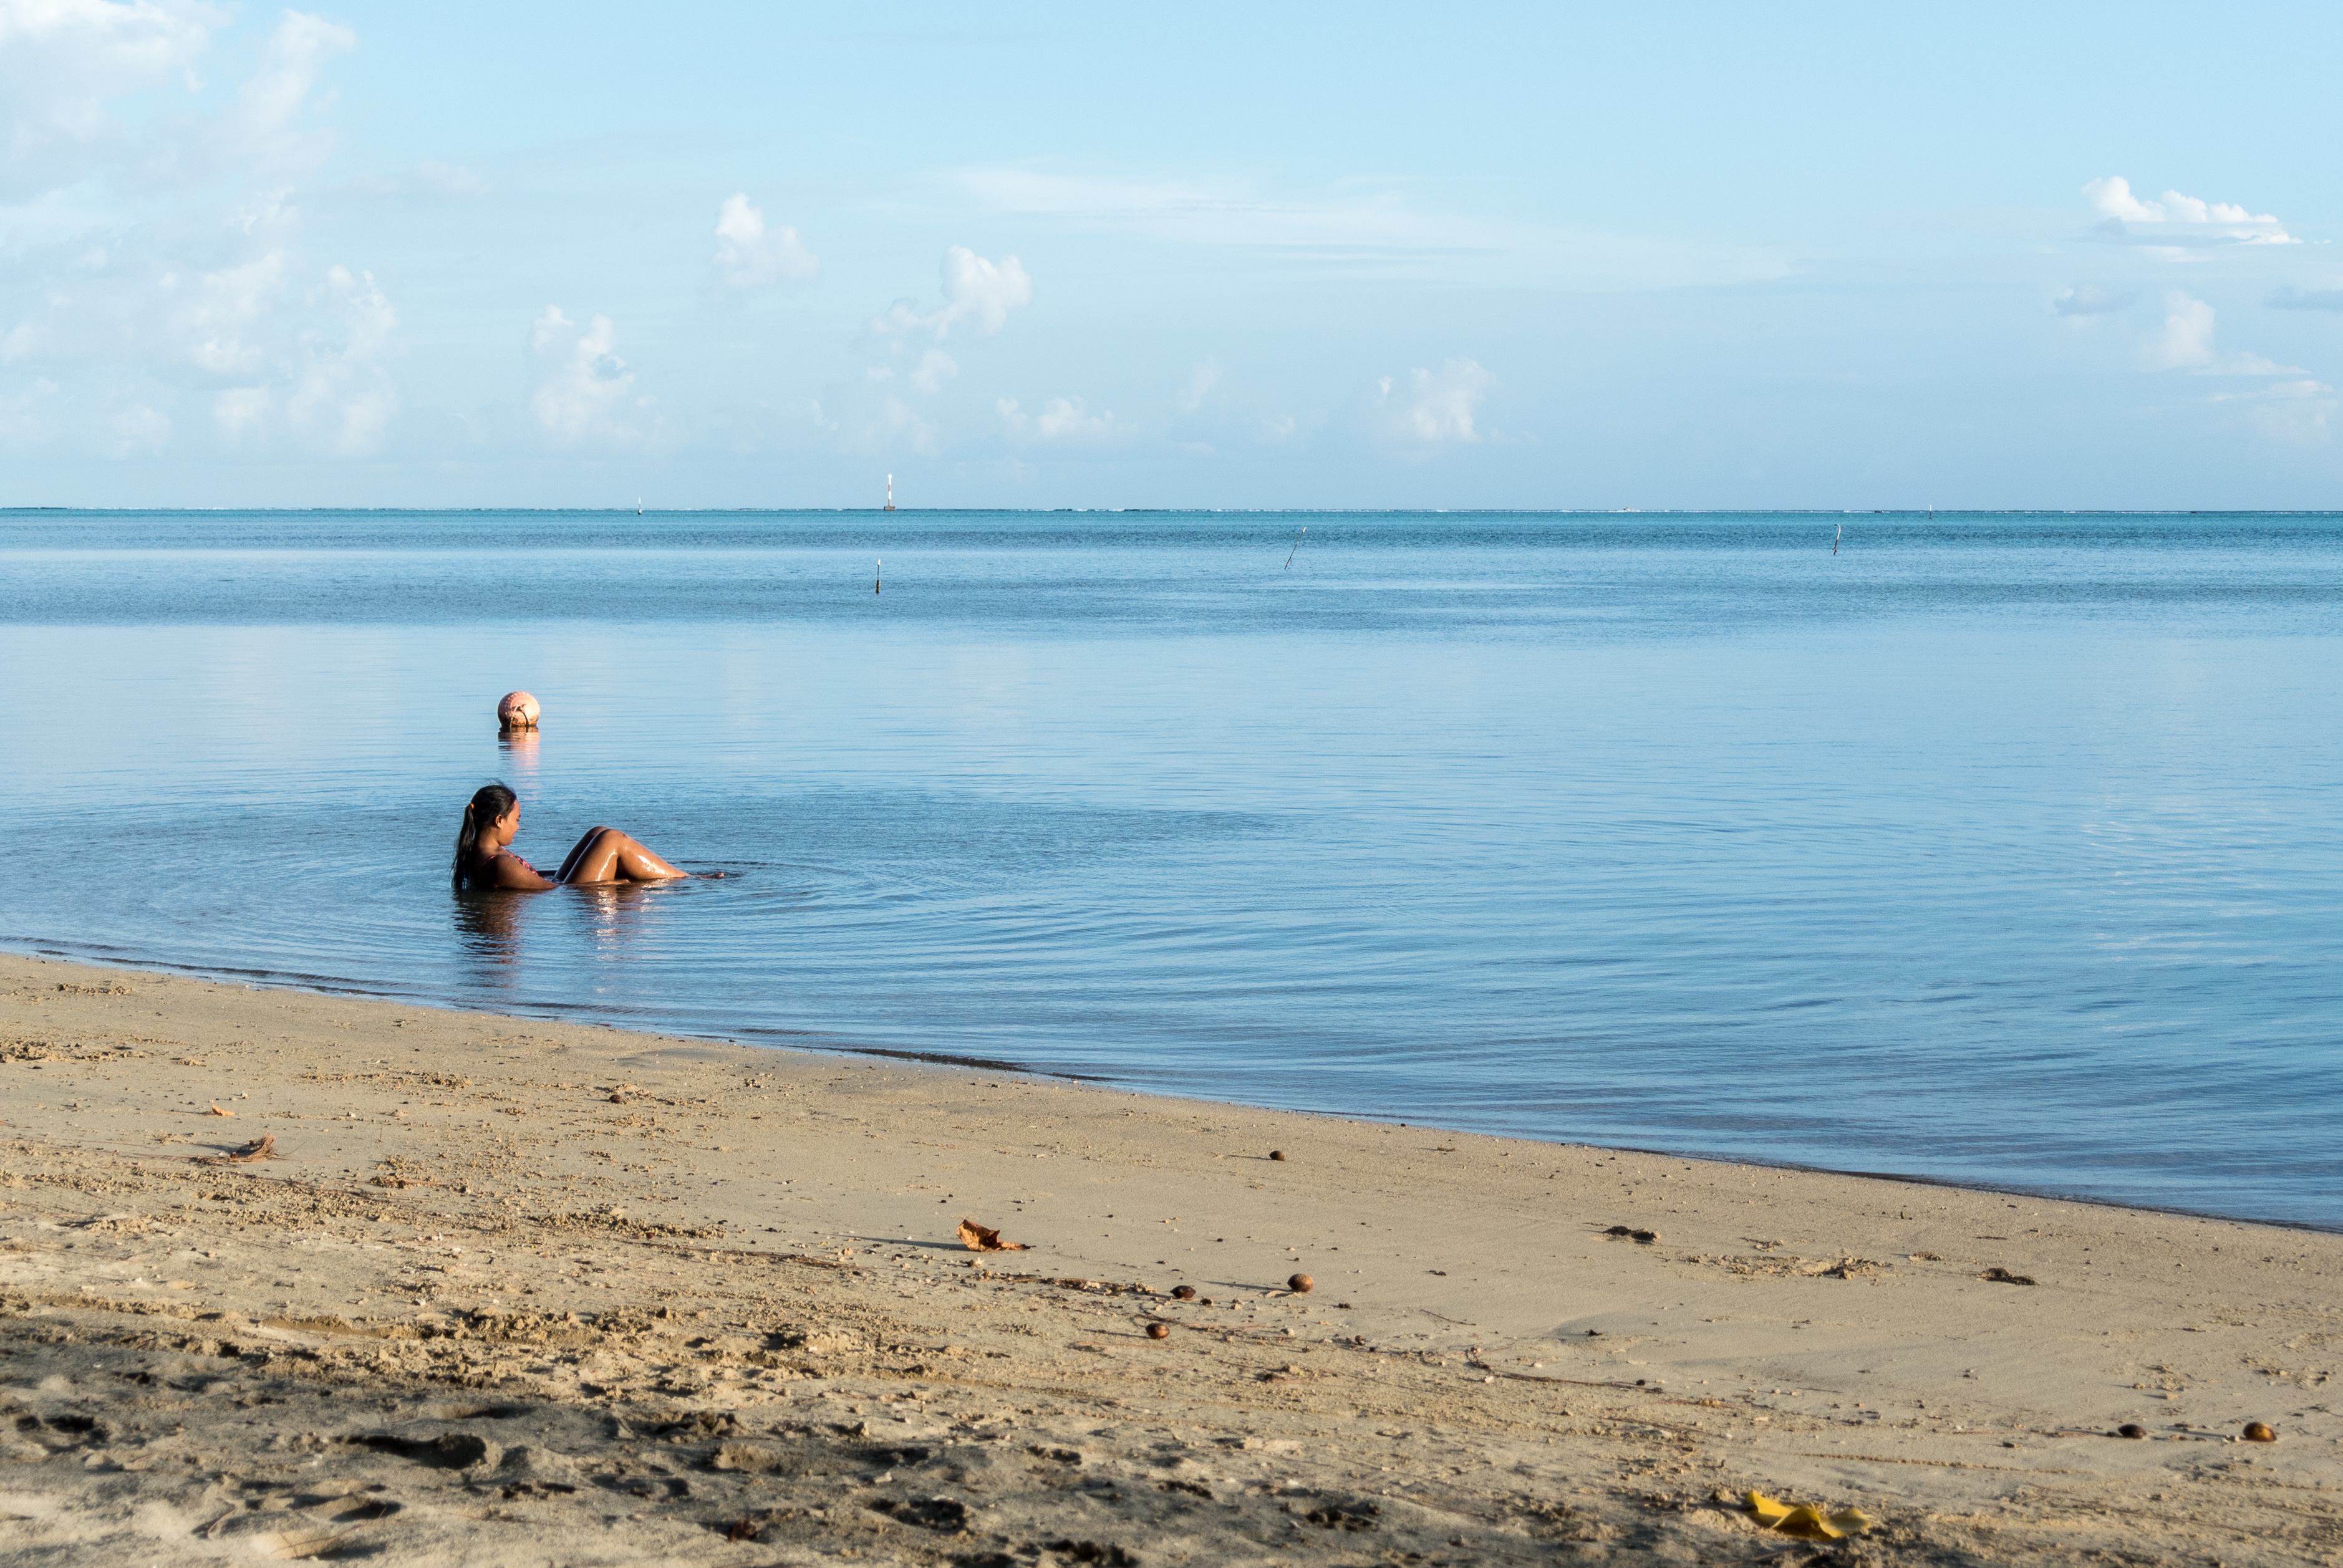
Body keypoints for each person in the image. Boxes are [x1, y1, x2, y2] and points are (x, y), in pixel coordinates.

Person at [451, 782, 715, 891]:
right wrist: (615, 883)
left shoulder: (484, 854)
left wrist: (582, 867)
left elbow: (533, 877)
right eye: (516, 820)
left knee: (597, 833)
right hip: (566, 893)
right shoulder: (498, 864)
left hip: (557, 885)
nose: (518, 827)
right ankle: (686, 880)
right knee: (611, 839)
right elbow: (559, 892)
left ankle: (679, 877)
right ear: (499, 820)